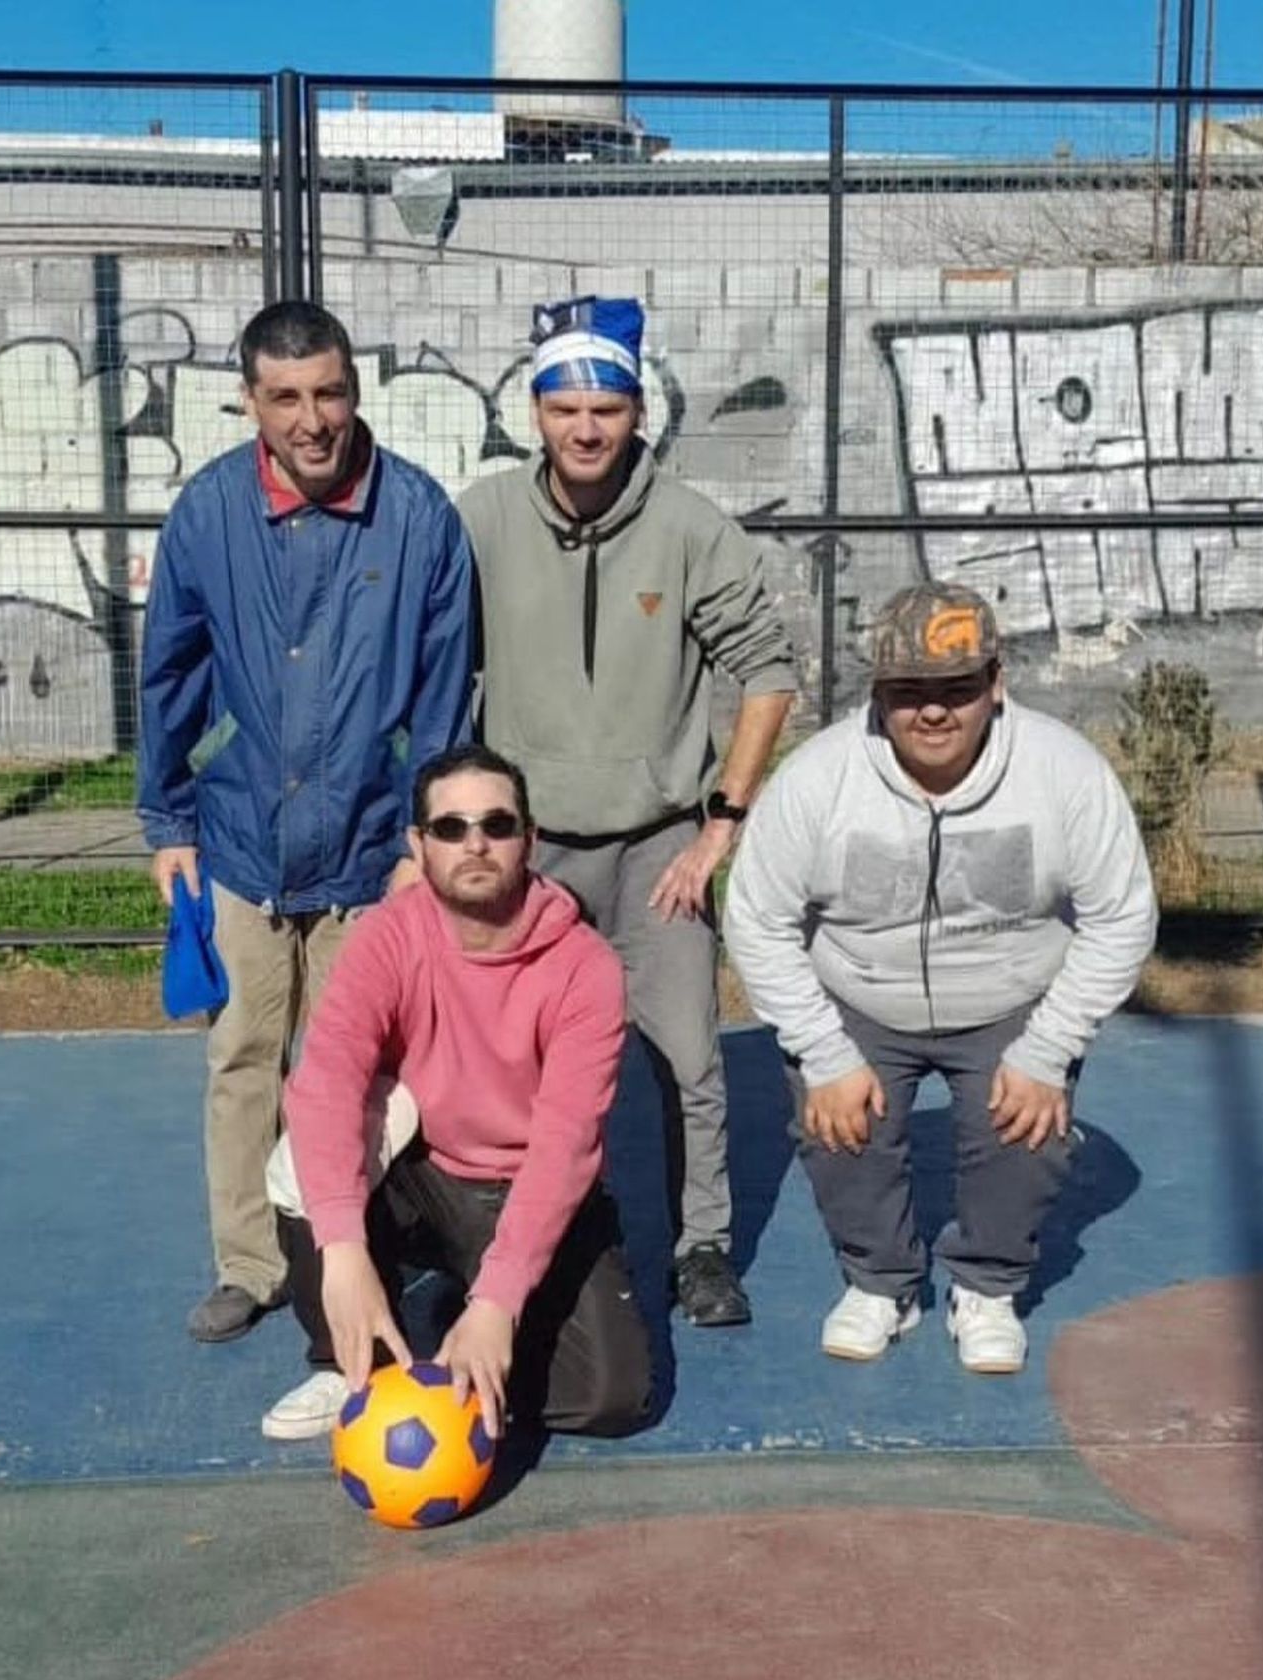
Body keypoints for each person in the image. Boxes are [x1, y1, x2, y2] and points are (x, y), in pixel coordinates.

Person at [136, 300, 474, 1345]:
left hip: (373, 854)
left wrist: (430, 841)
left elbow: (448, 698)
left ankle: (354, 1252)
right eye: (285, 396)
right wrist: (168, 819)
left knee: (360, 1073)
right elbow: (172, 675)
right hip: (239, 845)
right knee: (243, 1053)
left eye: (329, 391)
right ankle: (248, 1263)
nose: (312, 418)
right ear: (249, 401)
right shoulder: (208, 513)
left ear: (355, 389)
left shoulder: (419, 519)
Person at [457, 295, 798, 1328]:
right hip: (530, 855)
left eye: (607, 404)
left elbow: (769, 674)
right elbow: (423, 663)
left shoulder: (692, 528)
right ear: (536, 411)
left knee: (689, 1060)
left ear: (639, 410)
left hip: (659, 851)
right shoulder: (481, 520)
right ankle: (516, 1238)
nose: (587, 427)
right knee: (509, 1062)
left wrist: (720, 825)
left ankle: (700, 1249)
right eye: (566, 406)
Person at [723, 581, 1157, 1374]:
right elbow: (755, 917)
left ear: (996, 684)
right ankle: (880, 1281)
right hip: (856, 992)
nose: (933, 712)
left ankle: (986, 1286)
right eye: (908, 692)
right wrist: (824, 1051)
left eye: (956, 689)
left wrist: (1047, 1046)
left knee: (1025, 1130)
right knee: (840, 1128)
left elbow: (1123, 913)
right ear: (878, 694)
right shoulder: (819, 780)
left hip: (1011, 997)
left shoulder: (1063, 772)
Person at [266, 744, 651, 1443]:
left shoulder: (586, 967)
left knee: (611, 1398)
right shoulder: (387, 934)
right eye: (449, 828)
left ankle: (461, 1335)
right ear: (419, 844)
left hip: (522, 1184)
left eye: (497, 824)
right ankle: (345, 1357)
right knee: (306, 1153)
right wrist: (344, 1249)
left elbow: (566, 1148)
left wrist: (498, 1303)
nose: (475, 842)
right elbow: (324, 1082)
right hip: (422, 1168)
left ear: (529, 840)